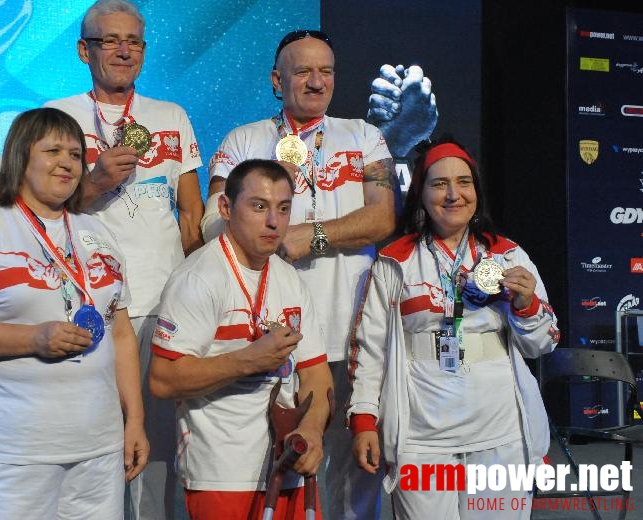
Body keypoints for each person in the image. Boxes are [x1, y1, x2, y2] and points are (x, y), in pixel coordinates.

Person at [203, 29, 437, 519]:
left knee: (356, 472)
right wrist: (263, 233)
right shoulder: (243, 140)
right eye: (303, 71)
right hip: (267, 335)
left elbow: (381, 217)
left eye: (326, 71)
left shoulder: (364, 136)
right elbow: (210, 222)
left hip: (351, 332)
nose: (316, 81)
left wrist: (310, 236)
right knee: (272, 466)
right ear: (276, 79)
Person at [0, 107, 149, 518]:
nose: (67, 162)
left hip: (97, 448)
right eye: (52, 150)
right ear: (20, 158)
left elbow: (119, 333)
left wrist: (134, 420)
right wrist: (33, 338)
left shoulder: (97, 232)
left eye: (76, 154)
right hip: (11, 452)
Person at [44, 0, 205, 520]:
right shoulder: (57, 119)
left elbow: (190, 215)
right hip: (89, 307)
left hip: (163, 303)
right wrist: (94, 182)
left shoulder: (171, 116)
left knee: (157, 452)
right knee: (92, 445)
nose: (123, 50)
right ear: (83, 50)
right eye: (109, 39)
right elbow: (37, 210)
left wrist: (199, 295)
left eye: (133, 40)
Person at [348, 138, 560, 519]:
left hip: (500, 432)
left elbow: (542, 343)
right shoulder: (394, 262)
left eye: (464, 182)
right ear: (420, 193)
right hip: (421, 437)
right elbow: (370, 351)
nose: (453, 194)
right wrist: (363, 419)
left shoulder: (508, 254)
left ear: (476, 190)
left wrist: (526, 305)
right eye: (439, 183)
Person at [149, 159, 334, 519]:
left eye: (283, 208)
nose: (273, 222)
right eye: (259, 206)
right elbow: (162, 379)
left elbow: (316, 374)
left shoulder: (290, 279)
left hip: (288, 466)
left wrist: (311, 429)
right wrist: (249, 360)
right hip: (223, 475)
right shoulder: (199, 278)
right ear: (225, 208)